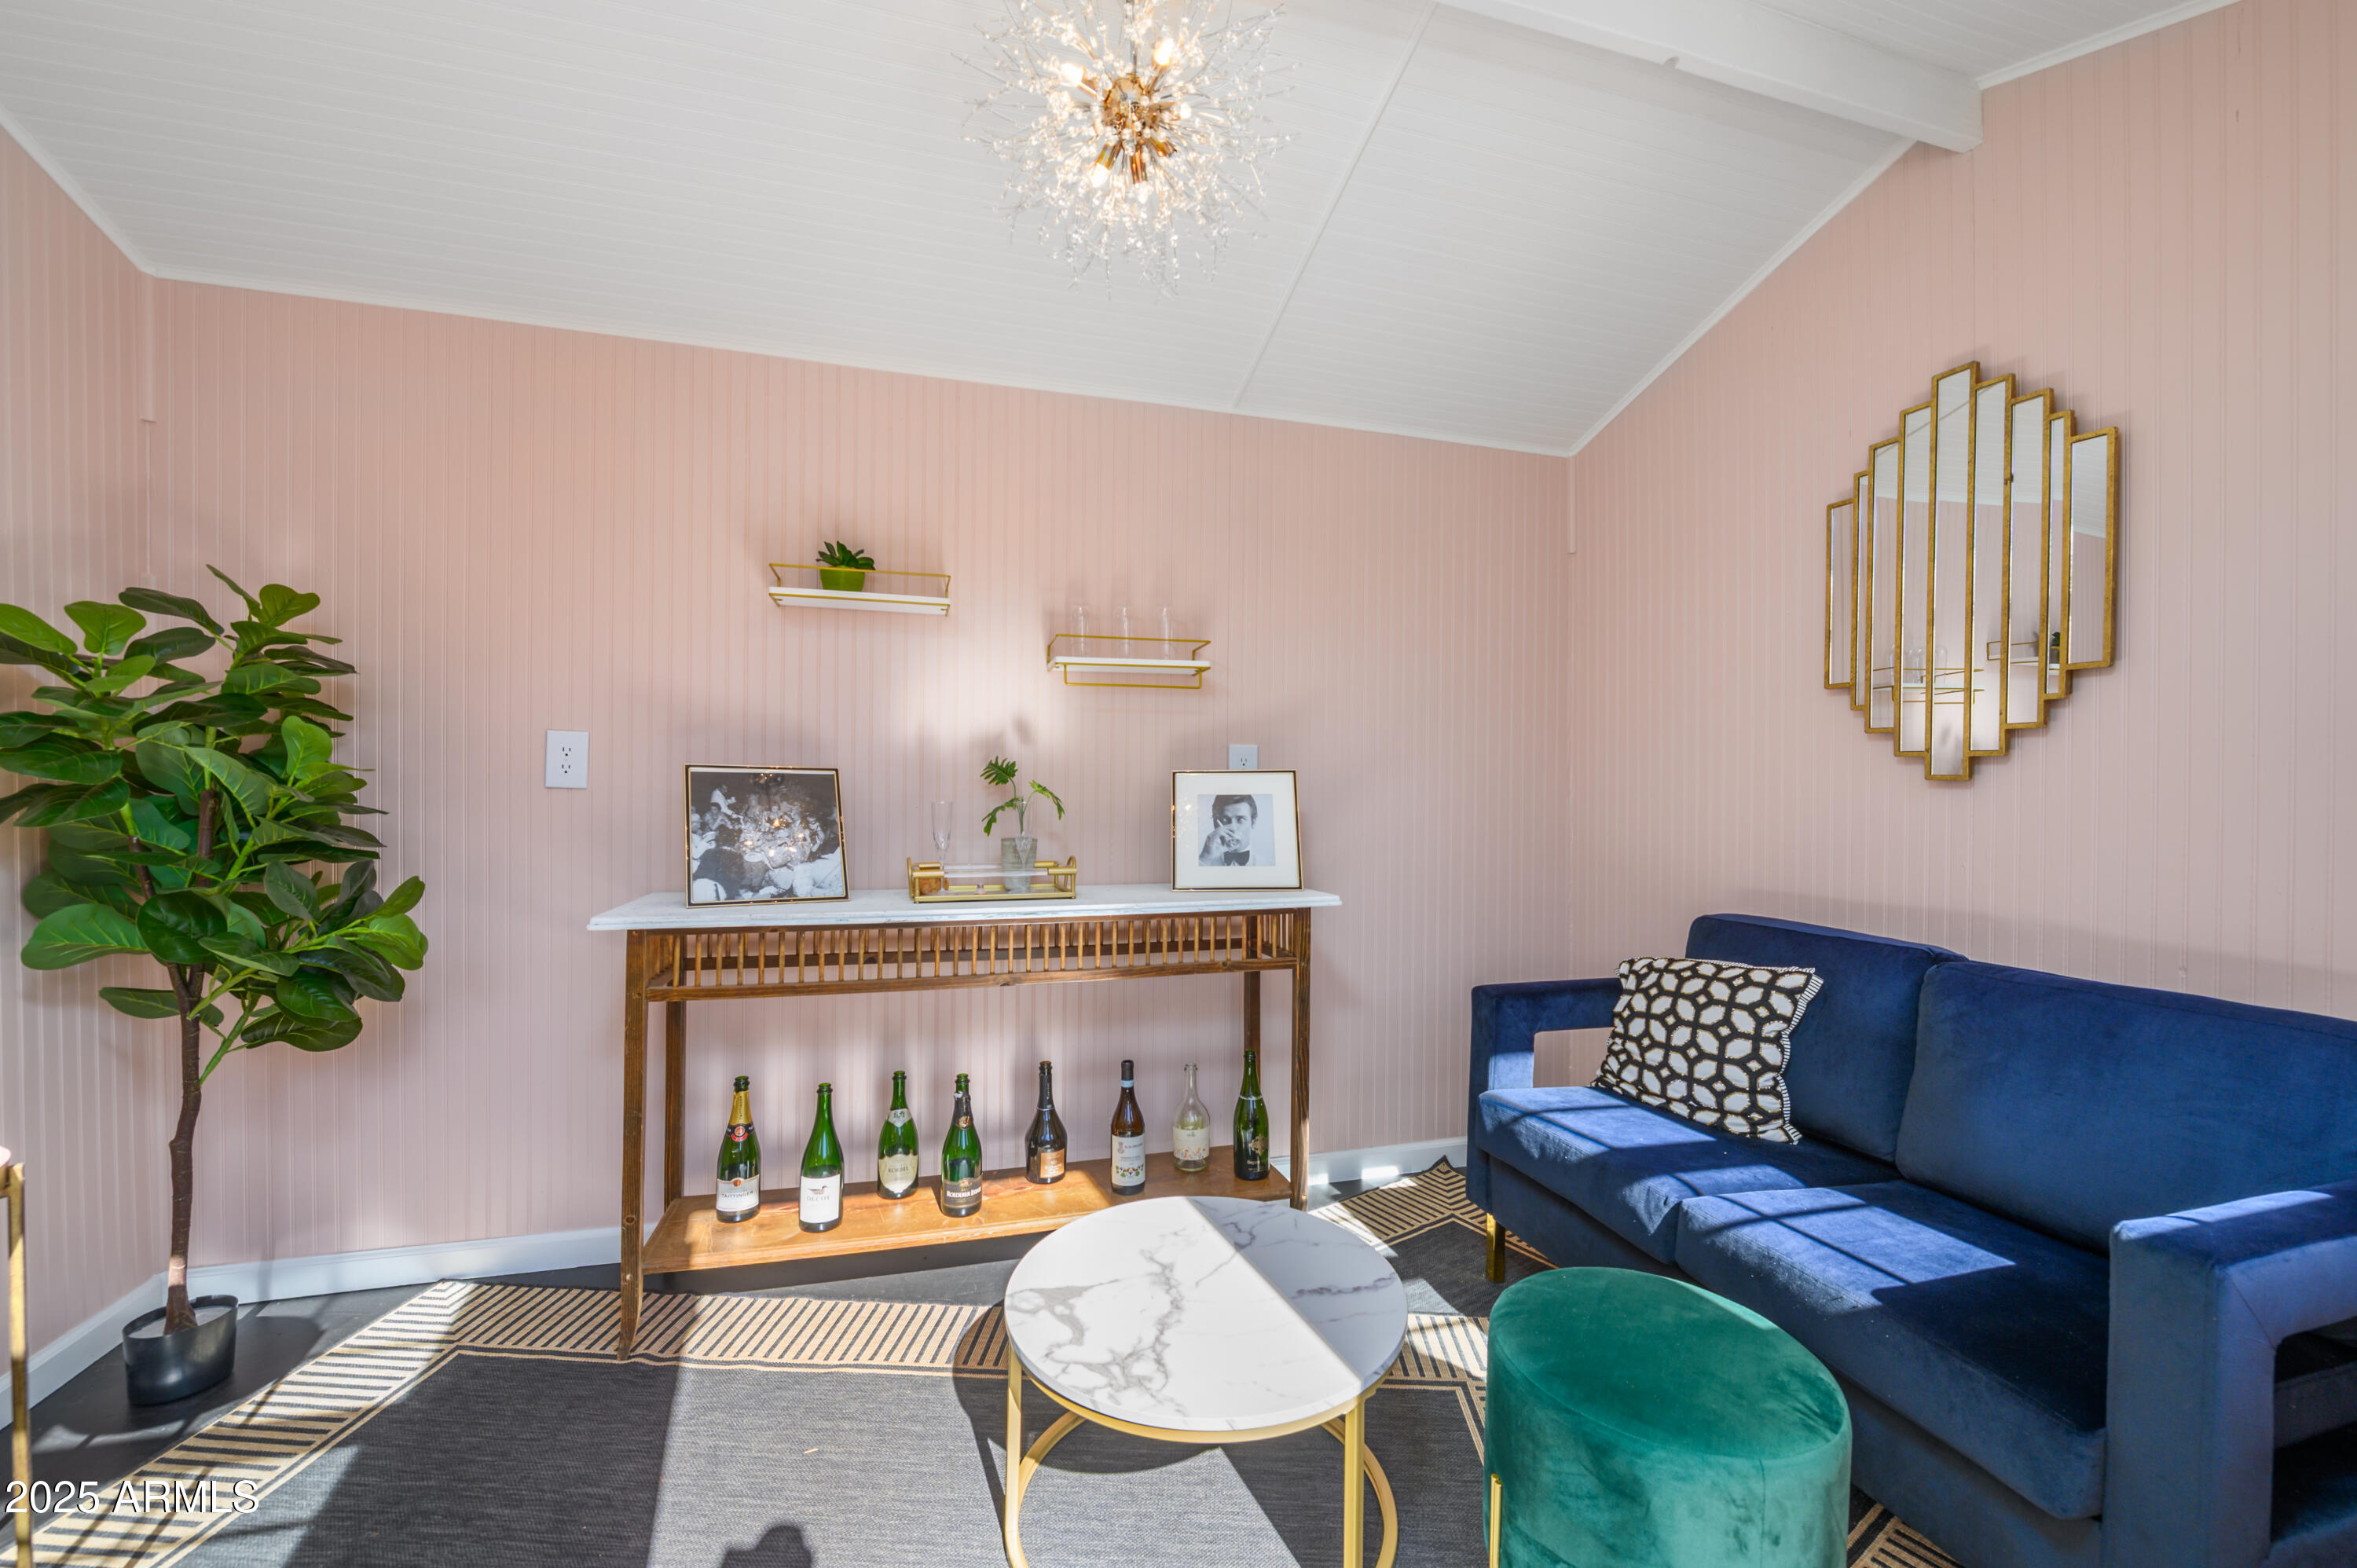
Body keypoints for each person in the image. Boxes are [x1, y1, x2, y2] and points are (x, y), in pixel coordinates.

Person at [1198, 794, 1257, 866]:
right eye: (1224, 820)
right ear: (1215, 824)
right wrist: (1205, 858)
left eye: (1240, 820)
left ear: (1253, 822)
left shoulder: (1269, 864)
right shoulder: (1203, 861)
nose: (1232, 828)